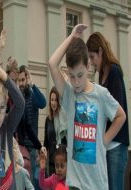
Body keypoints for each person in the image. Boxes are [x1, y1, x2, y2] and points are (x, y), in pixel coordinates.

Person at [48, 24, 126, 190]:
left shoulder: (101, 94)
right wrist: (72, 37)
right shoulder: (69, 94)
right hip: (76, 182)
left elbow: (121, 116)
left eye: (80, 75)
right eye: (72, 76)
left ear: (89, 67)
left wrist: (104, 140)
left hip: (97, 183)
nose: (76, 82)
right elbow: (52, 63)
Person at [86, 32, 129, 190]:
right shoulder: (102, 75)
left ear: (100, 52)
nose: (91, 62)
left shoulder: (114, 72)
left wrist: (102, 141)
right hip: (107, 146)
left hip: (116, 145)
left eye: (92, 56)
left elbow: (119, 115)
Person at [44, 86, 67, 176]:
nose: (53, 103)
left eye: (56, 100)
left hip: (62, 164)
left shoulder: (63, 119)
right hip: (51, 163)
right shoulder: (48, 119)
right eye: (52, 100)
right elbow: (46, 142)